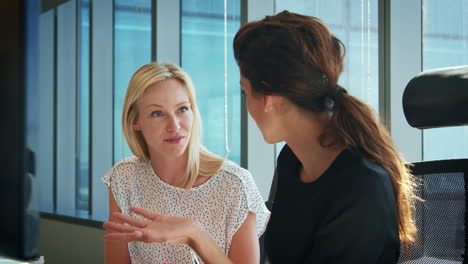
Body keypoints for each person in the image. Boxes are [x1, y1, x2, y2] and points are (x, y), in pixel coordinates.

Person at [233, 11, 418, 263]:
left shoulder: (361, 185)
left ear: (269, 99)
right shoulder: (292, 160)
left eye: (245, 92)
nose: (247, 105)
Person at [101, 62, 270, 264]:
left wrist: (194, 233)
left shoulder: (235, 185)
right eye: (157, 113)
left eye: (182, 109)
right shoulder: (124, 178)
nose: (174, 126)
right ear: (135, 121)